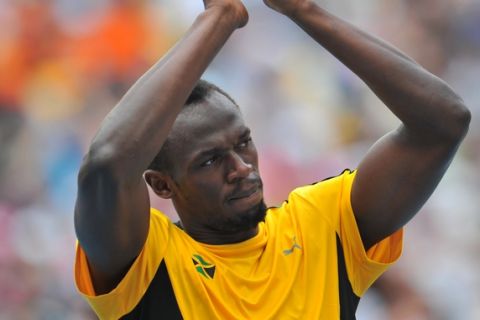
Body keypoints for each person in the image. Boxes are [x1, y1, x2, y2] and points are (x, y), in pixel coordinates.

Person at [73, 1, 470, 319]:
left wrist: (303, 10)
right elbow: (107, 164)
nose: (242, 167)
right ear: (161, 184)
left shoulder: (322, 224)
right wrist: (220, 18)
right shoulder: (145, 259)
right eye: (210, 161)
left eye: (243, 143)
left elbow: (443, 123)